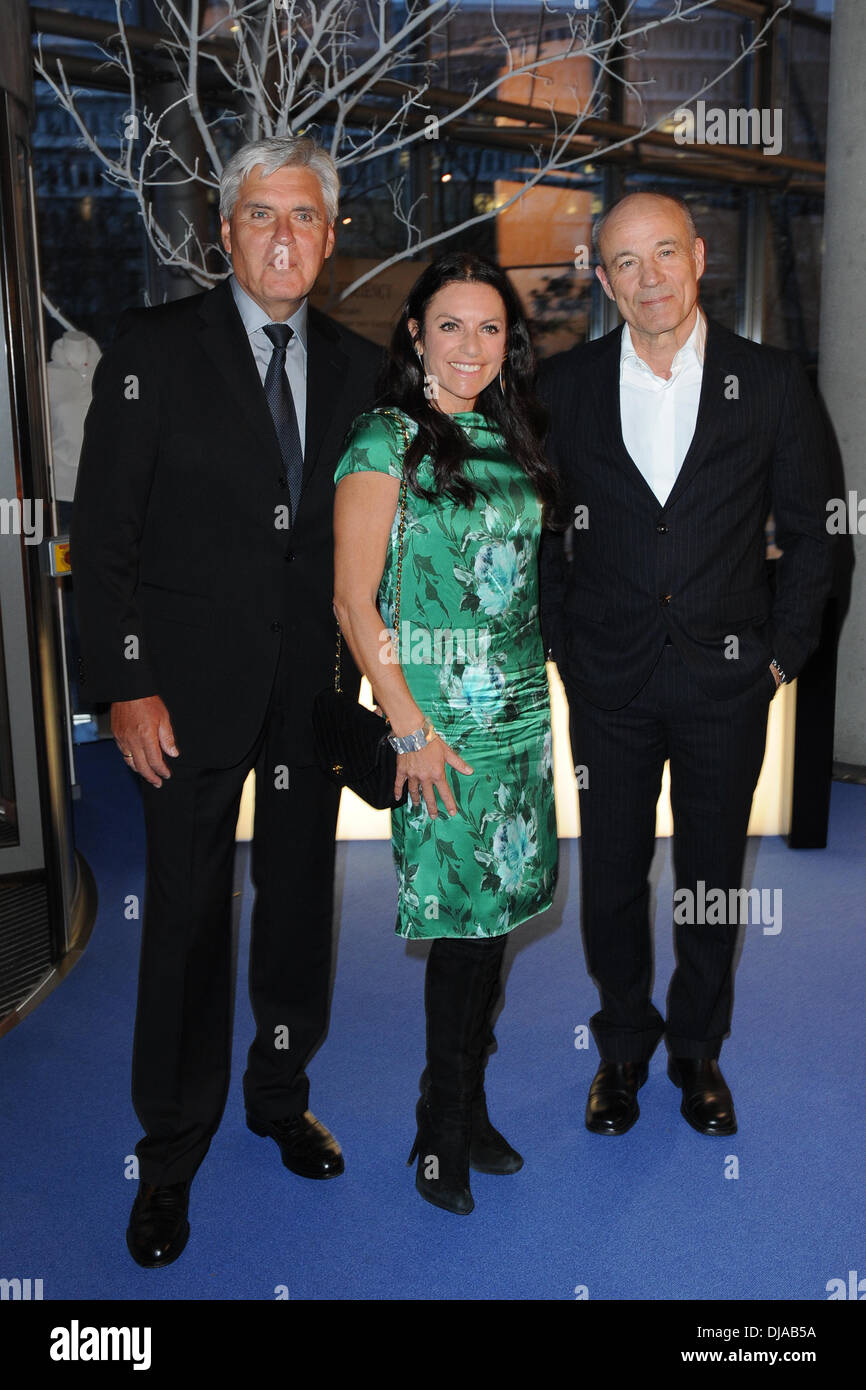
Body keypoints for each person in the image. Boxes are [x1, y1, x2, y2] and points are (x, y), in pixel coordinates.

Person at [72, 136, 382, 1266]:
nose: (283, 235)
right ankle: (167, 1156)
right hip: (182, 700)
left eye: (303, 216)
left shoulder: (359, 370)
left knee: (300, 914)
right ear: (225, 230)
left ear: (331, 236)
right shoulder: (153, 349)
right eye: (261, 215)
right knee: (188, 927)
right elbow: (101, 540)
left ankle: (278, 1096)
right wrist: (125, 684)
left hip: (308, 701)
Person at [539, 191, 833, 1139]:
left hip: (728, 683)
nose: (650, 277)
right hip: (610, 683)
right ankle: (622, 1050)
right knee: (613, 877)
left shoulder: (773, 379)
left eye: (664, 253)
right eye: (626, 261)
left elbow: (821, 535)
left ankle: (698, 1052)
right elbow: (541, 529)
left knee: (711, 876)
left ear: (698, 256)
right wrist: (559, 642)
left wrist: (782, 657)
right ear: (603, 277)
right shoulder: (565, 386)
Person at [333, 252, 559, 1214]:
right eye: (452, 325)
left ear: (510, 344)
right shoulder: (384, 440)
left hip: (517, 720)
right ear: (416, 332)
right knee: (463, 934)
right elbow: (352, 599)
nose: (471, 345)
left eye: (491, 328)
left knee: (499, 924)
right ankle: (441, 1132)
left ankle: (460, 1103)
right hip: (437, 730)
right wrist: (408, 728)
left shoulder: (509, 435)